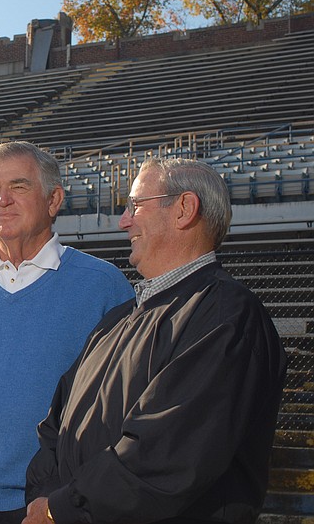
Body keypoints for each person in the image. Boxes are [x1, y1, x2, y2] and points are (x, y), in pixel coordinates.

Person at [24, 157, 287, 524]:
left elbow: (165, 459)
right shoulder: (117, 319)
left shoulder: (226, 317)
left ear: (184, 209)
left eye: (135, 205)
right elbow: (56, 425)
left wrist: (60, 508)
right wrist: (44, 496)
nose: (123, 220)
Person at [0, 141, 135, 524]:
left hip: (59, 505)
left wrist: (78, 498)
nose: (1, 200)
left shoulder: (105, 287)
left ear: (54, 200)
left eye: (18, 186)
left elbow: (123, 410)